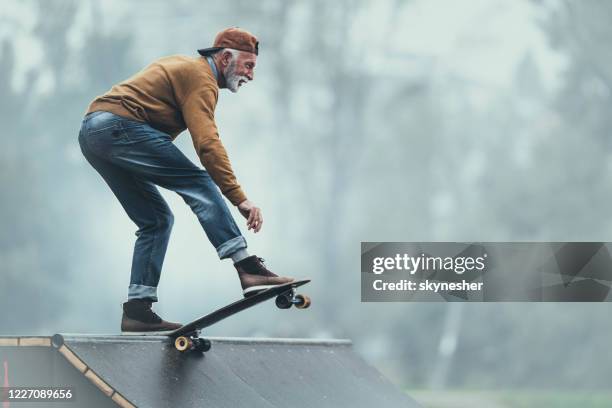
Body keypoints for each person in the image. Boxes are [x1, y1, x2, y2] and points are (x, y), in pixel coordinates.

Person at [78, 27, 293, 333]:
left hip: (95, 134)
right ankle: (247, 268)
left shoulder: (187, 68)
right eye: (249, 65)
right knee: (200, 184)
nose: (251, 75)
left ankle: (138, 309)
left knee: (156, 220)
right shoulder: (201, 78)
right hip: (116, 127)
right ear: (226, 58)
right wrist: (239, 198)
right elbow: (207, 143)